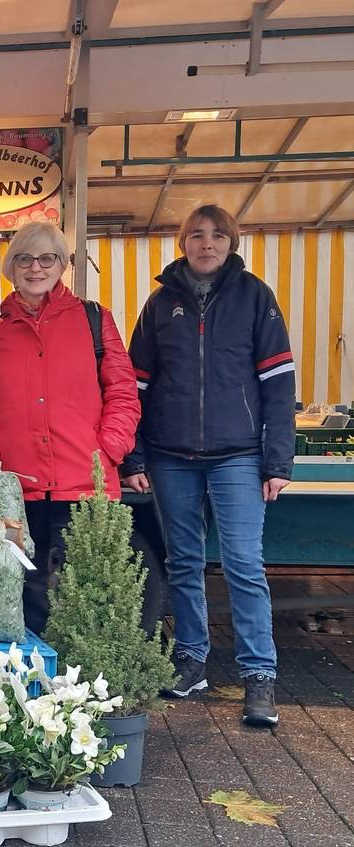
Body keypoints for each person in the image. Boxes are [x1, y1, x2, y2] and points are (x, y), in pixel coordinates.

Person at [121, 204, 294, 728]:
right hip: (171, 457)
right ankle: (192, 660)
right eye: (196, 234)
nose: (207, 243)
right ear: (183, 242)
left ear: (231, 242)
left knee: (243, 565)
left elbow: (279, 382)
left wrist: (276, 459)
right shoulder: (159, 305)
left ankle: (258, 675)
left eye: (218, 235)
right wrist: (133, 455)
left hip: (239, 457)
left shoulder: (255, 297)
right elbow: (135, 387)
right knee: (183, 563)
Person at [0, 222, 140, 635]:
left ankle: (88, 687)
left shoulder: (94, 320)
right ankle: (33, 683)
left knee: (88, 590)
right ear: (11, 268)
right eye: (24, 259)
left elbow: (123, 391)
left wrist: (107, 449)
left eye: (46, 258)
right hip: (16, 492)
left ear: (63, 265)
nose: (36, 268)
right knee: (24, 588)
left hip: (85, 484)